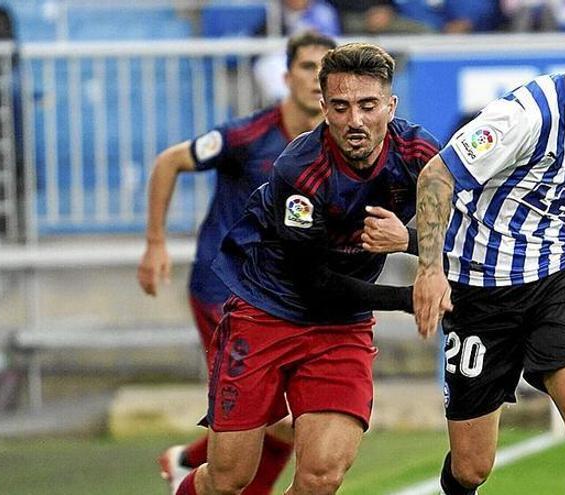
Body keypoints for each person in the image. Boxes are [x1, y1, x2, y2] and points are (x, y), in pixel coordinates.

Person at [174, 42, 439, 495]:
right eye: (341, 106)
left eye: (368, 105)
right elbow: (315, 284)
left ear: (390, 106)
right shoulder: (300, 169)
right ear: (324, 106)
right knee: (228, 478)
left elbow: (467, 222)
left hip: (340, 329)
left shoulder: (420, 154)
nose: (355, 120)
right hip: (266, 316)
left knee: (322, 476)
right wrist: (407, 296)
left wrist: (410, 241)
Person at [413, 16, 565, 495]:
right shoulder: (525, 116)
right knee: (471, 468)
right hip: (480, 294)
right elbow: (436, 177)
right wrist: (429, 270)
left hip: (554, 284)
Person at [137, 31, 336, 494]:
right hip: (222, 294)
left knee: (282, 425)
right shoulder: (247, 136)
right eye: (308, 67)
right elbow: (169, 162)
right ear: (287, 76)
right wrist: (154, 243)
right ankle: (191, 466)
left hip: (280, 301)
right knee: (280, 420)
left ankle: (186, 460)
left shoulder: (334, 147)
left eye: (325, 70)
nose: (316, 79)